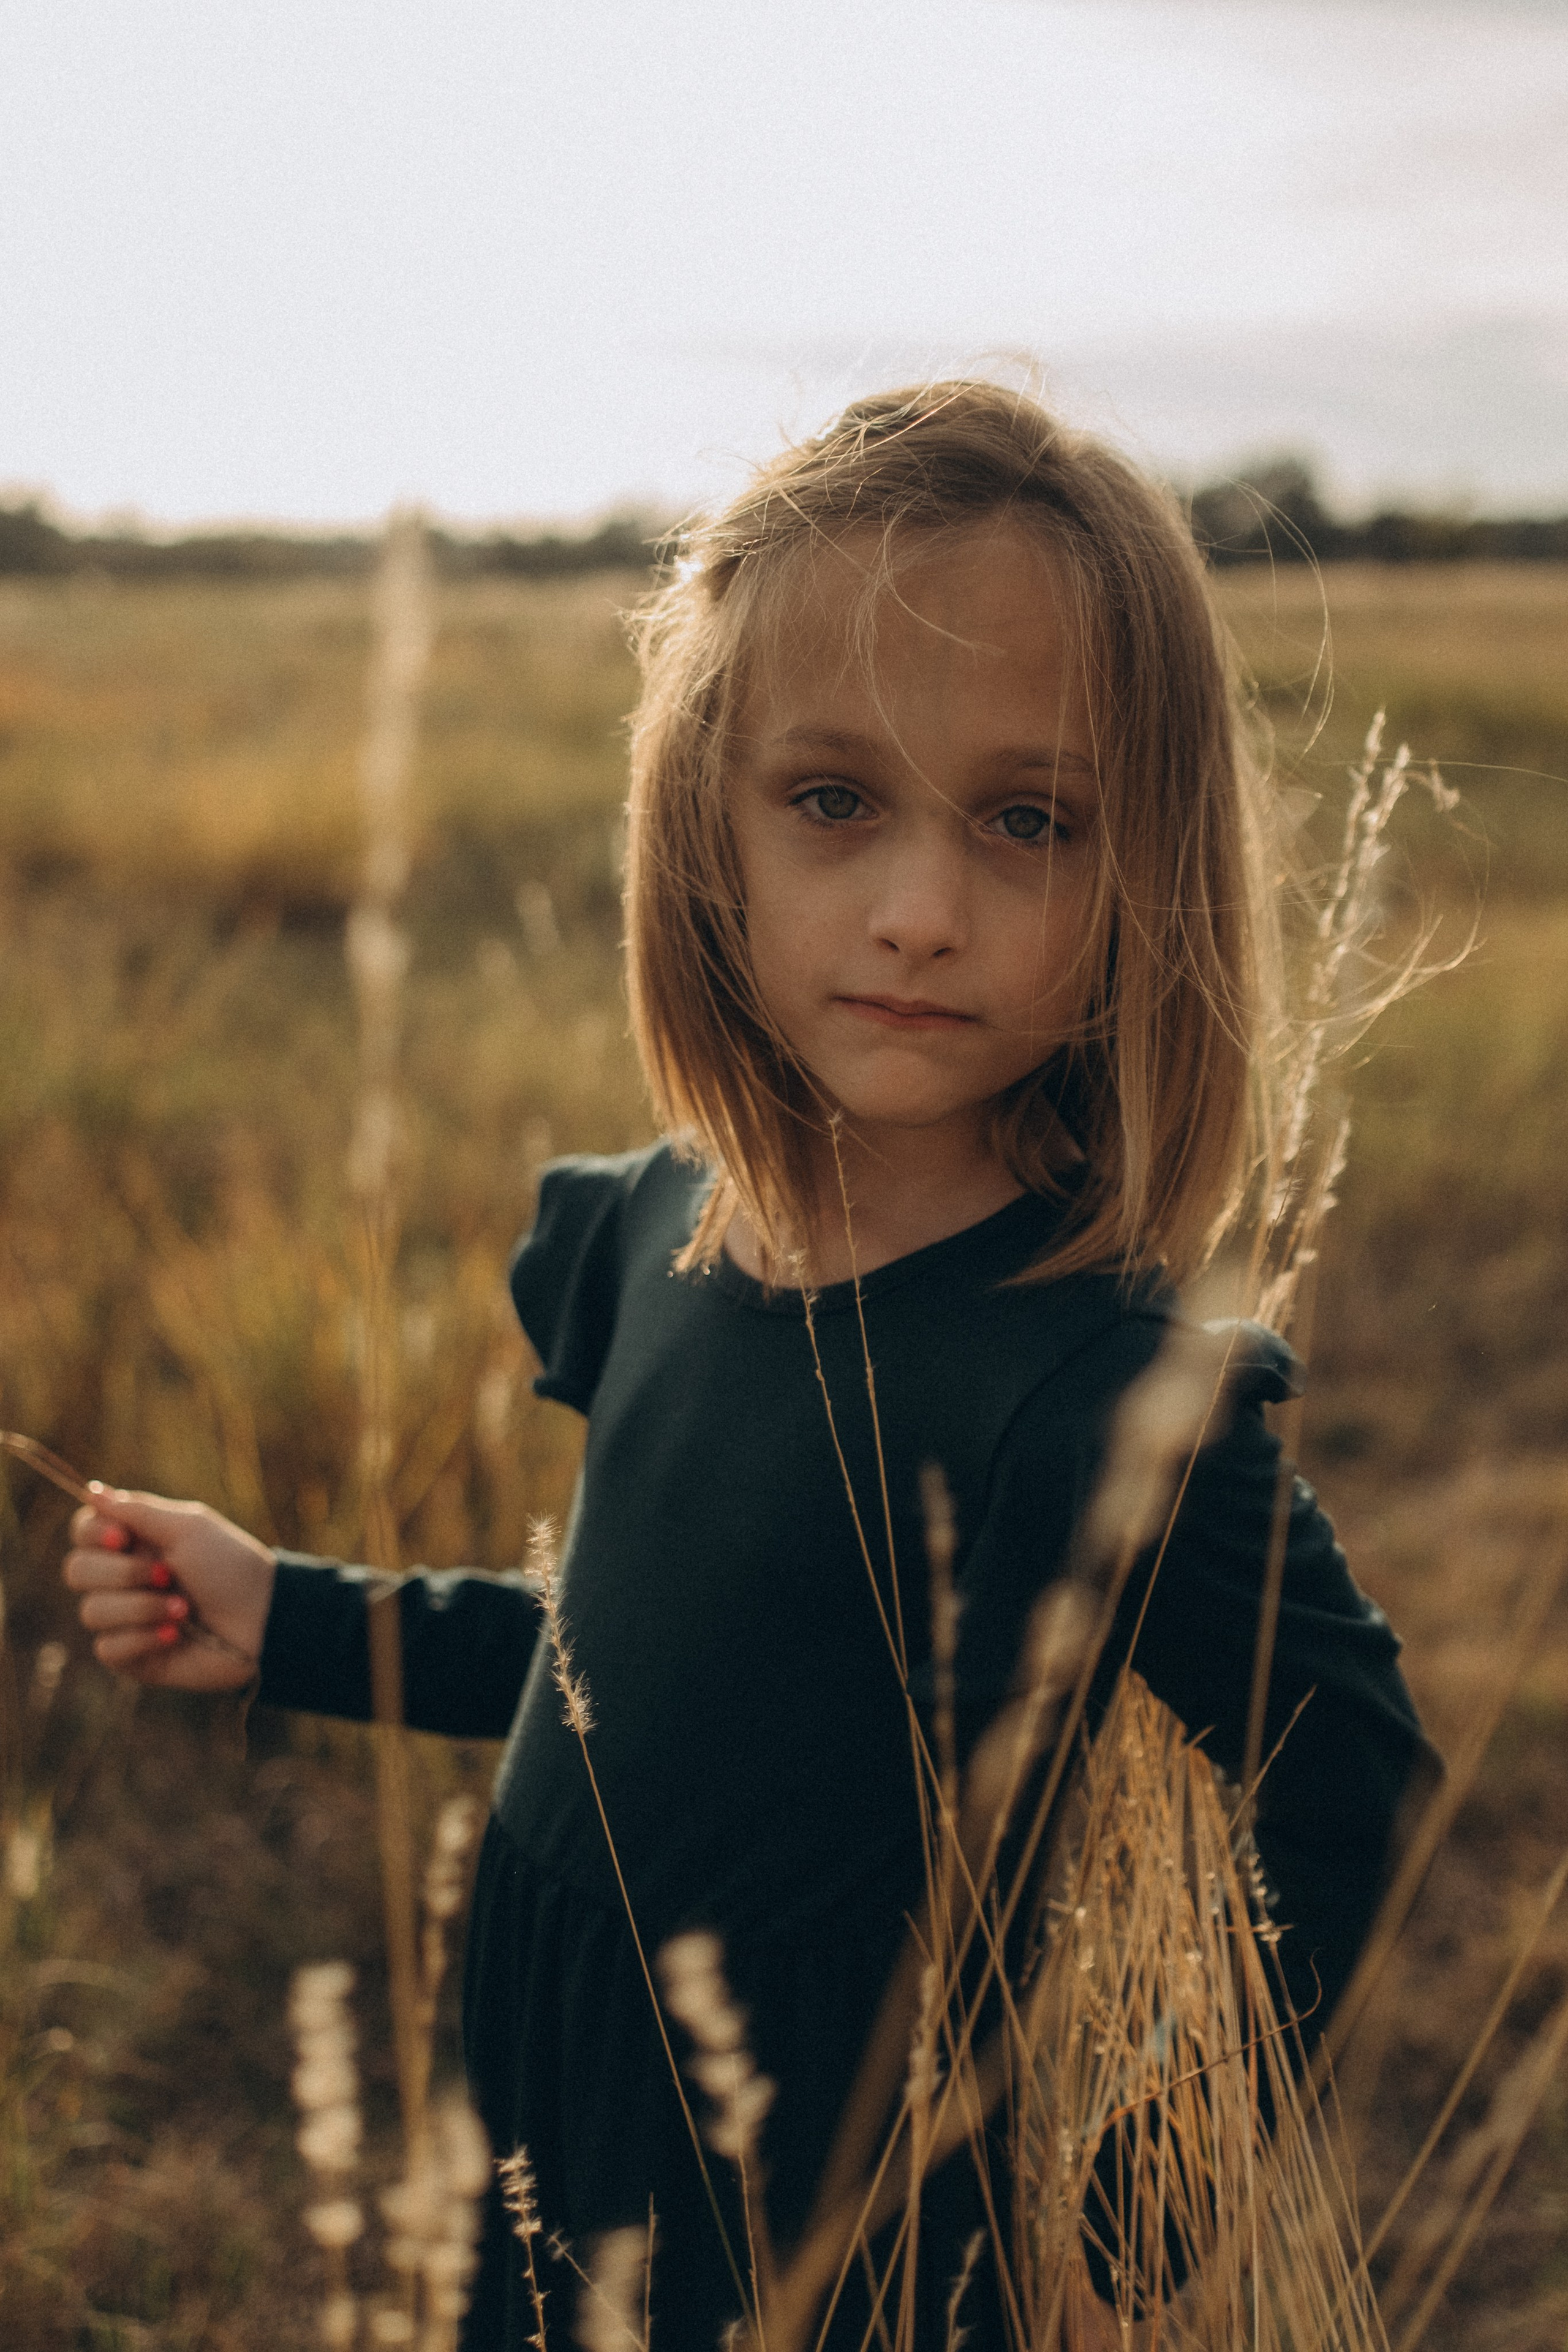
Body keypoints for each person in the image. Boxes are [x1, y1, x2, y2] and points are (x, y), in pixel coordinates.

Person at [62, 382, 1436, 2349]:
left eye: (1030, 823)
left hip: (820, 2204)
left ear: (1150, 874)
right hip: (537, 2092)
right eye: (832, 800)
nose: (917, 911)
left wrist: (1155, 2179)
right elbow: (616, 1673)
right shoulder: (647, 1229)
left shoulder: (1097, 1387)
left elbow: (1360, 1783)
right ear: (703, 818)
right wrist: (288, 1619)